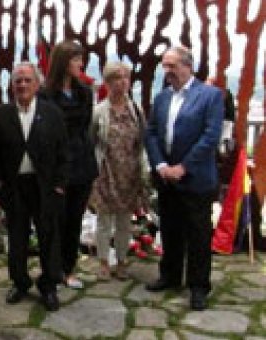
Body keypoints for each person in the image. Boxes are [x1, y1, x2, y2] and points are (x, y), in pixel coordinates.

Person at [144, 46, 223, 311]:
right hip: (167, 179)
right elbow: (152, 133)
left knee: (199, 235)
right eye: (164, 66)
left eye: (172, 66)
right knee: (170, 230)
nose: (167, 72)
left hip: (196, 179)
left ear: (188, 66)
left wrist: (184, 167)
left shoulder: (210, 96)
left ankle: (198, 287)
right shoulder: (162, 98)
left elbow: (210, 136)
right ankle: (170, 275)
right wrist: (161, 164)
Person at [0, 62, 67, 310]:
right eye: (18, 81)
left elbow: (63, 152)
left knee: (48, 237)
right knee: (17, 238)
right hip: (15, 187)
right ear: (12, 86)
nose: (22, 85)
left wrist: (59, 185)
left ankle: (48, 286)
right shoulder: (1, 114)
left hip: (44, 187)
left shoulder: (52, 113)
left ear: (37, 84)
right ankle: (20, 282)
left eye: (27, 80)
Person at [40, 40, 98, 289]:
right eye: (76, 60)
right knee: (56, 222)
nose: (80, 64)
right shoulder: (45, 94)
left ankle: (68, 268)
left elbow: (85, 126)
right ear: (63, 62)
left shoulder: (84, 91)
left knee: (74, 220)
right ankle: (52, 270)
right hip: (57, 166)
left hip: (82, 163)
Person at [89, 61, 148, 281]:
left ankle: (122, 261)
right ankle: (104, 262)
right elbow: (92, 139)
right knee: (104, 221)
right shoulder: (99, 112)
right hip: (106, 173)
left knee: (125, 221)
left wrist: (143, 170)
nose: (122, 82)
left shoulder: (136, 110)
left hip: (129, 173)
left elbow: (142, 140)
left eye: (126, 77)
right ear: (107, 82)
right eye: (117, 78)